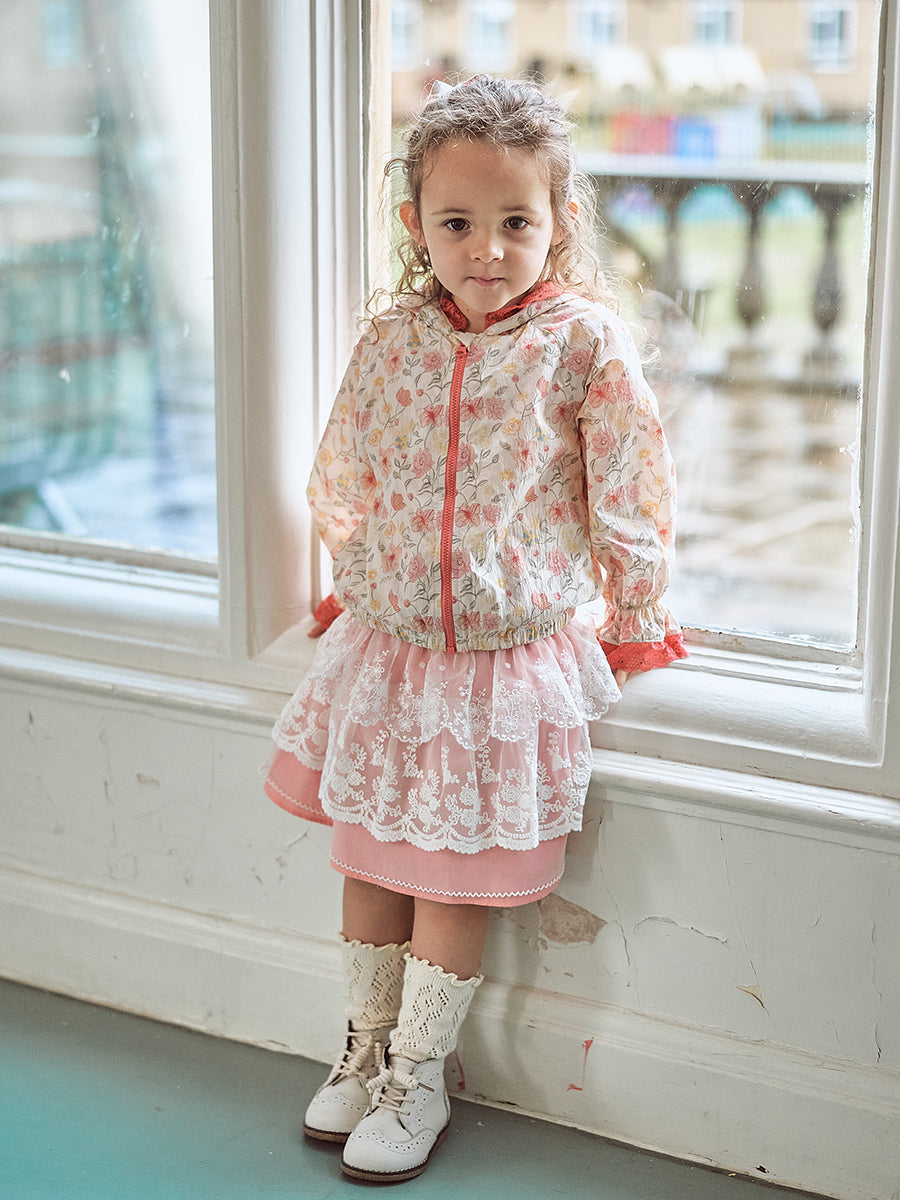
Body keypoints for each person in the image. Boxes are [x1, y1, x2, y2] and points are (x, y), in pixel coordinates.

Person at [264, 74, 686, 1183]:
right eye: (456, 223)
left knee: (451, 876)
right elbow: (347, 464)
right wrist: (355, 573)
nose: (486, 250)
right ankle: (364, 1047)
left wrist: (636, 609)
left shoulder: (583, 344)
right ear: (416, 224)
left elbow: (631, 484)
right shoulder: (394, 339)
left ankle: (420, 1073)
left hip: (503, 662)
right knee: (369, 859)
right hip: (391, 650)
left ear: (561, 221)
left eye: (514, 222)